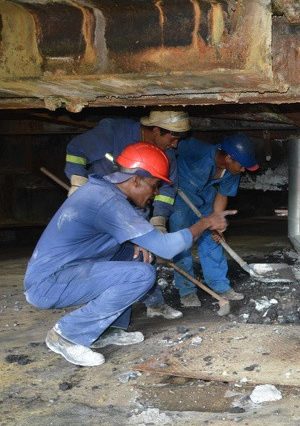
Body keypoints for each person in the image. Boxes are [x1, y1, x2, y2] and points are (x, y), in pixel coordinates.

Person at [24, 142, 235, 367]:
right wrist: (204, 223)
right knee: (142, 274)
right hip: (49, 284)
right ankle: (67, 335)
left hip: (73, 268)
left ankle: (107, 328)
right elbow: (167, 248)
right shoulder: (107, 201)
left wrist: (133, 243)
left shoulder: (106, 192)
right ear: (135, 180)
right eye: (154, 186)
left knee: (137, 256)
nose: (155, 194)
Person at [64, 109, 191, 320]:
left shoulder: (166, 154)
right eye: (172, 138)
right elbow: (76, 149)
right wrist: (78, 181)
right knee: (109, 263)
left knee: (143, 257)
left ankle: (155, 303)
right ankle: (108, 318)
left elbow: (167, 190)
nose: (175, 145)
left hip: (135, 211)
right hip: (102, 211)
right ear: (157, 130)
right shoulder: (114, 132)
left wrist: (158, 219)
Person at [170, 133, 259, 307]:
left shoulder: (232, 172)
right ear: (228, 158)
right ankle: (187, 291)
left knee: (213, 240)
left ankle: (220, 285)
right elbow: (168, 149)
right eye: (241, 166)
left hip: (205, 198)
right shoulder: (196, 148)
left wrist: (217, 225)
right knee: (182, 241)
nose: (243, 170)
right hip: (181, 195)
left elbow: (223, 194)